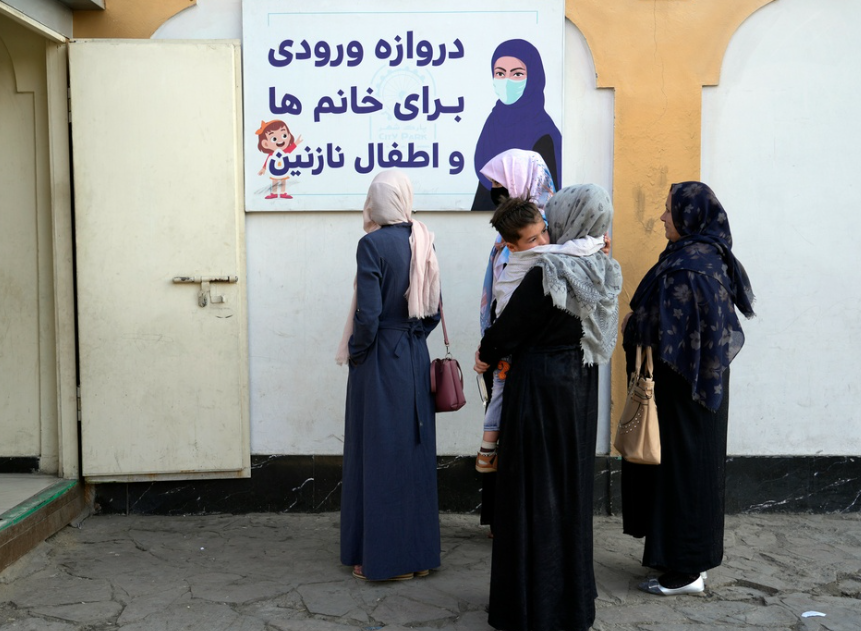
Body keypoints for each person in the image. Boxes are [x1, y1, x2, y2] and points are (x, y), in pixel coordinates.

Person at [475, 184, 622, 631]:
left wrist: (486, 351)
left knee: (532, 493)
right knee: (570, 490)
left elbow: (508, 329)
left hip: (540, 387)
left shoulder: (549, 270)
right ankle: (571, 598)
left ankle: (532, 604)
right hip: (579, 385)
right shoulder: (600, 263)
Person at [621, 181, 755, 596]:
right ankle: (675, 557)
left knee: (686, 476)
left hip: (689, 390)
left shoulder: (694, 266)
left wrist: (636, 325)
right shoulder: (695, 257)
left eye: (668, 210)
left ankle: (686, 572)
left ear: (689, 216)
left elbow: (682, 327)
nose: (662, 217)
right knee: (678, 475)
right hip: (687, 388)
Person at [336, 170, 442, 582]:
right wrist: (412, 338)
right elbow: (434, 308)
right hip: (414, 355)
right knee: (412, 452)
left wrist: (359, 353)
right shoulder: (424, 240)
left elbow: (368, 315)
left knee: (379, 453)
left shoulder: (372, 244)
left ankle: (388, 562)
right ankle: (418, 557)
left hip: (380, 358)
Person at [475, 195, 606, 473]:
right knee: (498, 392)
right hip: (511, 342)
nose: (544, 241)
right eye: (533, 239)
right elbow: (572, 249)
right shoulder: (539, 261)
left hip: (512, 344)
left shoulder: (537, 254)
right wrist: (597, 243)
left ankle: (487, 452)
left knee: (499, 390)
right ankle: (486, 453)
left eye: (544, 231)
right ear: (513, 246)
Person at [471, 39, 562, 210]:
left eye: (517, 74)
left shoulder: (544, 132)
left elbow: (547, 200)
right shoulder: (493, 122)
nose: (506, 81)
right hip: (502, 225)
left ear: (534, 77)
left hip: (528, 226)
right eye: (500, 73)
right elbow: (485, 189)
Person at [255, 119, 303, 199]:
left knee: (283, 180)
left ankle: (283, 193)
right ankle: (274, 193)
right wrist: (263, 168)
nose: (280, 140)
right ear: (265, 144)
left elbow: (290, 149)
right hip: (274, 169)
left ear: (289, 136)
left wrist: (296, 143)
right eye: (274, 139)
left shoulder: (284, 151)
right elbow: (268, 160)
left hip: (284, 169)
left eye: (284, 136)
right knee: (274, 180)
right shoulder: (272, 154)